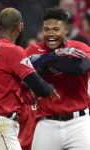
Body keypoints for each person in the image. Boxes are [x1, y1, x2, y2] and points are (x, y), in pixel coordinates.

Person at [0, 7, 59, 150]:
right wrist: (49, 88)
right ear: (20, 26)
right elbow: (38, 85)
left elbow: (4, 78)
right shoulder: (14, 51)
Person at [25, 8, 90, 150]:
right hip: (47, 123)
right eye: (46, 29)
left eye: (56, 29)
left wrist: (48, 60)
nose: (51, 34)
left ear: (65, 30)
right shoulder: (32, 50)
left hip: (78, 123)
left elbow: (80, 68)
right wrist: (55, 56)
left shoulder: (79, 47)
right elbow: (24, 78)